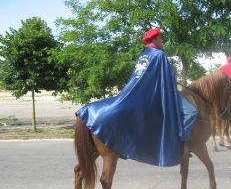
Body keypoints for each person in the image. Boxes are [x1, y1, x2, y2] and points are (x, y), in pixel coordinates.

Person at [76, 28, 197, 167]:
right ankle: (184, 146)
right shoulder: (159, 55)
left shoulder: (143, 55)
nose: (162, 41)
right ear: (155, 40)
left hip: (139, 93)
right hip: (157, 94)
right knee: (191, 112)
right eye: (160, 38)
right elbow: (167, 79)